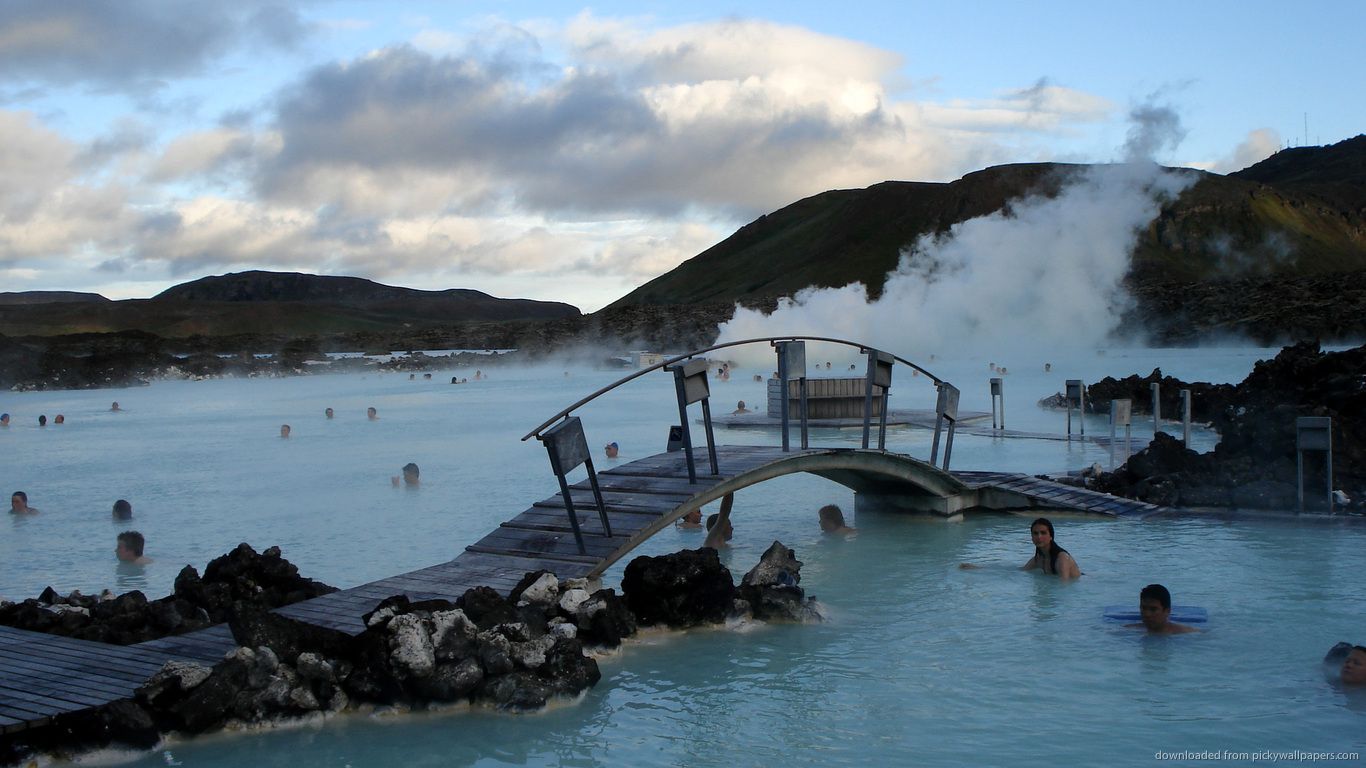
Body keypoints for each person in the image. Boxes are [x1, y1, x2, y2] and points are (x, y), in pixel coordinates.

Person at [1126, 584, 1198, 634]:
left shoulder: (1186, 633)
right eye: (1143, 608)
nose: (1147, 614)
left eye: (1153, 609)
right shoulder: (1130, 630)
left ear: (1167, 611)